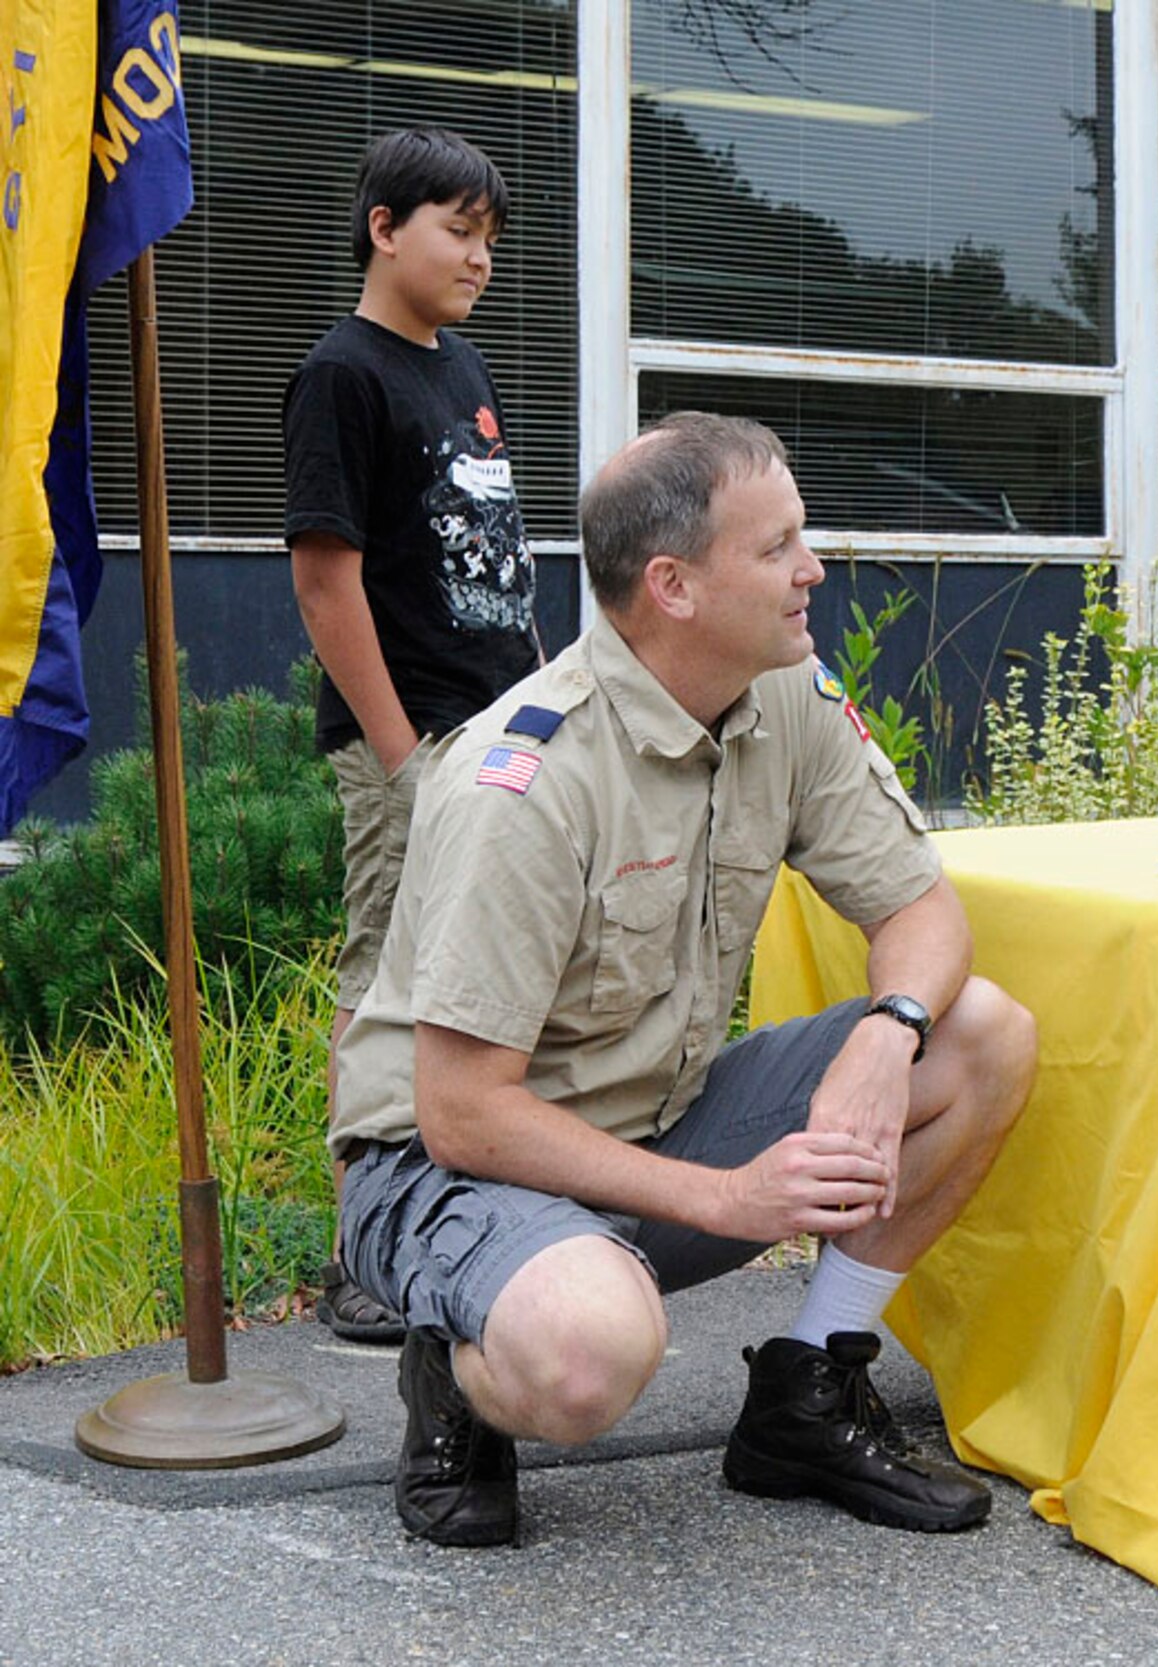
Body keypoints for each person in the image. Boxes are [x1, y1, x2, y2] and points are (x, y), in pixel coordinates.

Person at [330, 411, 1038, 1547]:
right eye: (776, 549)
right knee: (587, 1356)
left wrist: (887, 1030)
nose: (812, 569)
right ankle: (458, 1367)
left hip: (656, 1120)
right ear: (673, 585)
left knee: (981, 1033)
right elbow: (460, 1111)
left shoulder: (784, 697)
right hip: (448, 1168)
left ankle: (806, 1389)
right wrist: (726, 1199)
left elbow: (920, 909)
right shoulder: (526, 778)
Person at [285, 128, 540, 1343]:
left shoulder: (464, 366)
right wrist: (398, 754)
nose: (478, 257)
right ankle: (358, 1246)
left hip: (498, 732)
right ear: (383, 228)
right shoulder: (342, 374)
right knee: (387, 976)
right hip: (414, 740)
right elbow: (327, 580)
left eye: (489, 237)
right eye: (456, 229)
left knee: (492, 980)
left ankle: (476, 1209)